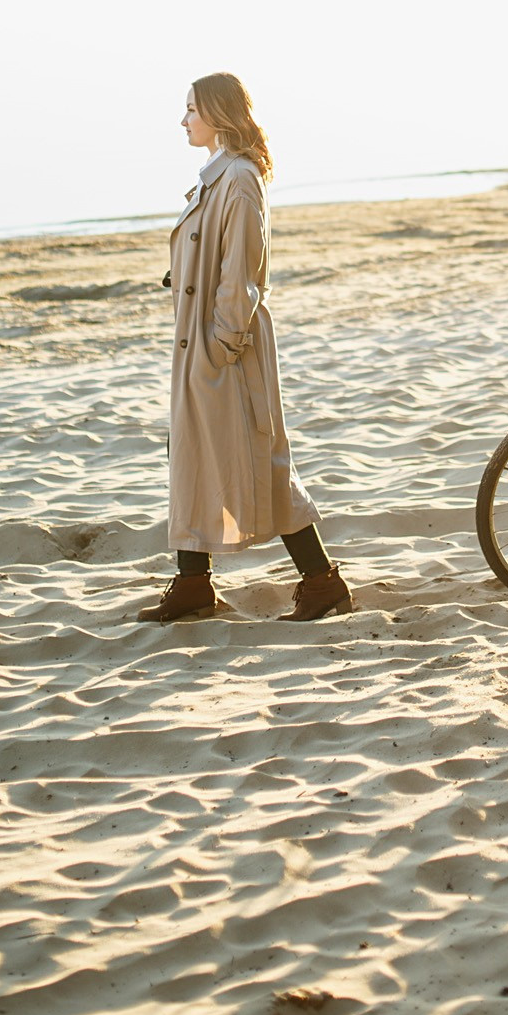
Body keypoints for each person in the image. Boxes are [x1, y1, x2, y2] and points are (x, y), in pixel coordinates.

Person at [137, 71, 353, 624]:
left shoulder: (237, 177)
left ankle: (321, 581)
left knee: (261, 461)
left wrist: (222, 345)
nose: (183, 120)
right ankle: (193, 583)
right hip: (203, 343)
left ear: (217, 113)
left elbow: (242, 272)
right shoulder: (218, 176)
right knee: (189, 453)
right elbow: (215, 257)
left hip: (226, 347)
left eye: (191, 109)